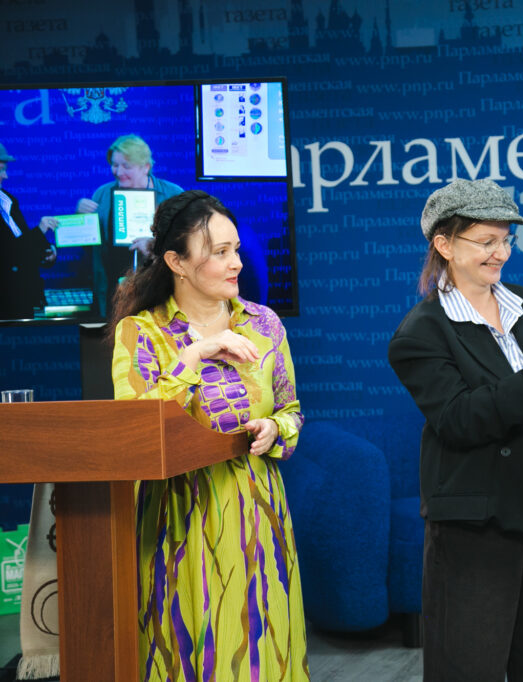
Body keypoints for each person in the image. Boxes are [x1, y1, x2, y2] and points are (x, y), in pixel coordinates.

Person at [388, 179, 523, 682]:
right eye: (486, 241)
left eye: (506, 240)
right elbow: (460, 419)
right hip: (477, 531)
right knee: (469, 669)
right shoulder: (420, 333)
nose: (501, 253)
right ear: (444, 245)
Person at [109, 190, 308, 681]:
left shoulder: (265, 324)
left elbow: (291, 411)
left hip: (257, 511)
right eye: (219, 252)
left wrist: (274, 428)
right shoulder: (141, 333)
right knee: (188, 647)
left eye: (235, 249)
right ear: (176, 262)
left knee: (259, 644)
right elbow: (135, 431)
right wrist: (194, 357)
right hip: (179, 516)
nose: (236, 263)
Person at [79, 134, 184, 315]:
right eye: (115, 165)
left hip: (161, 293)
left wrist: (154, 245)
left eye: (126, 166)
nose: (118, 172)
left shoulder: (173, 195)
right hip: (113, 295)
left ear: (146, 167)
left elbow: (187, 245)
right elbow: (91, 248)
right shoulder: (102, 195)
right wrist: (82, 221)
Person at [0, 142, 57, 320]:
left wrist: (44, 253)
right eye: (0, 170)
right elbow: (8, 253)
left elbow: (22, 244)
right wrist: (40, 231)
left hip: (23, 301)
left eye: (5, 169)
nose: (5, 176)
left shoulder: (9, 200)